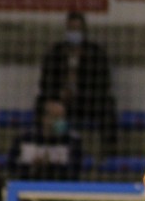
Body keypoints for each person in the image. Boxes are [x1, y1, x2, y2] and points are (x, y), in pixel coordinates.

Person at [36, 10, 117, 154]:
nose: (74, 32)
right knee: (40, 103)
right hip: (60, 103)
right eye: (71, 29)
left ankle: (108, 153)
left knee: (108, 106)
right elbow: (45, 83)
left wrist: (80, 93)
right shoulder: (55, 53)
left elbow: (103, 83)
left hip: (87, 102)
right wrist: (58, 96)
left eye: (77, 29)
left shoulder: (95, 53)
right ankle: (40, 148)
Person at [7, 100, 83, 181]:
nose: (61, 122)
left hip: (60, 187)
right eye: (56, 117)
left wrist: (51, 166)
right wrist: (34, 167)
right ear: (44, 118)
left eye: (63, 117)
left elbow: (75, 171)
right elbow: (12, 166)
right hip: (30, 185)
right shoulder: (24, 138)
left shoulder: (73, 140)